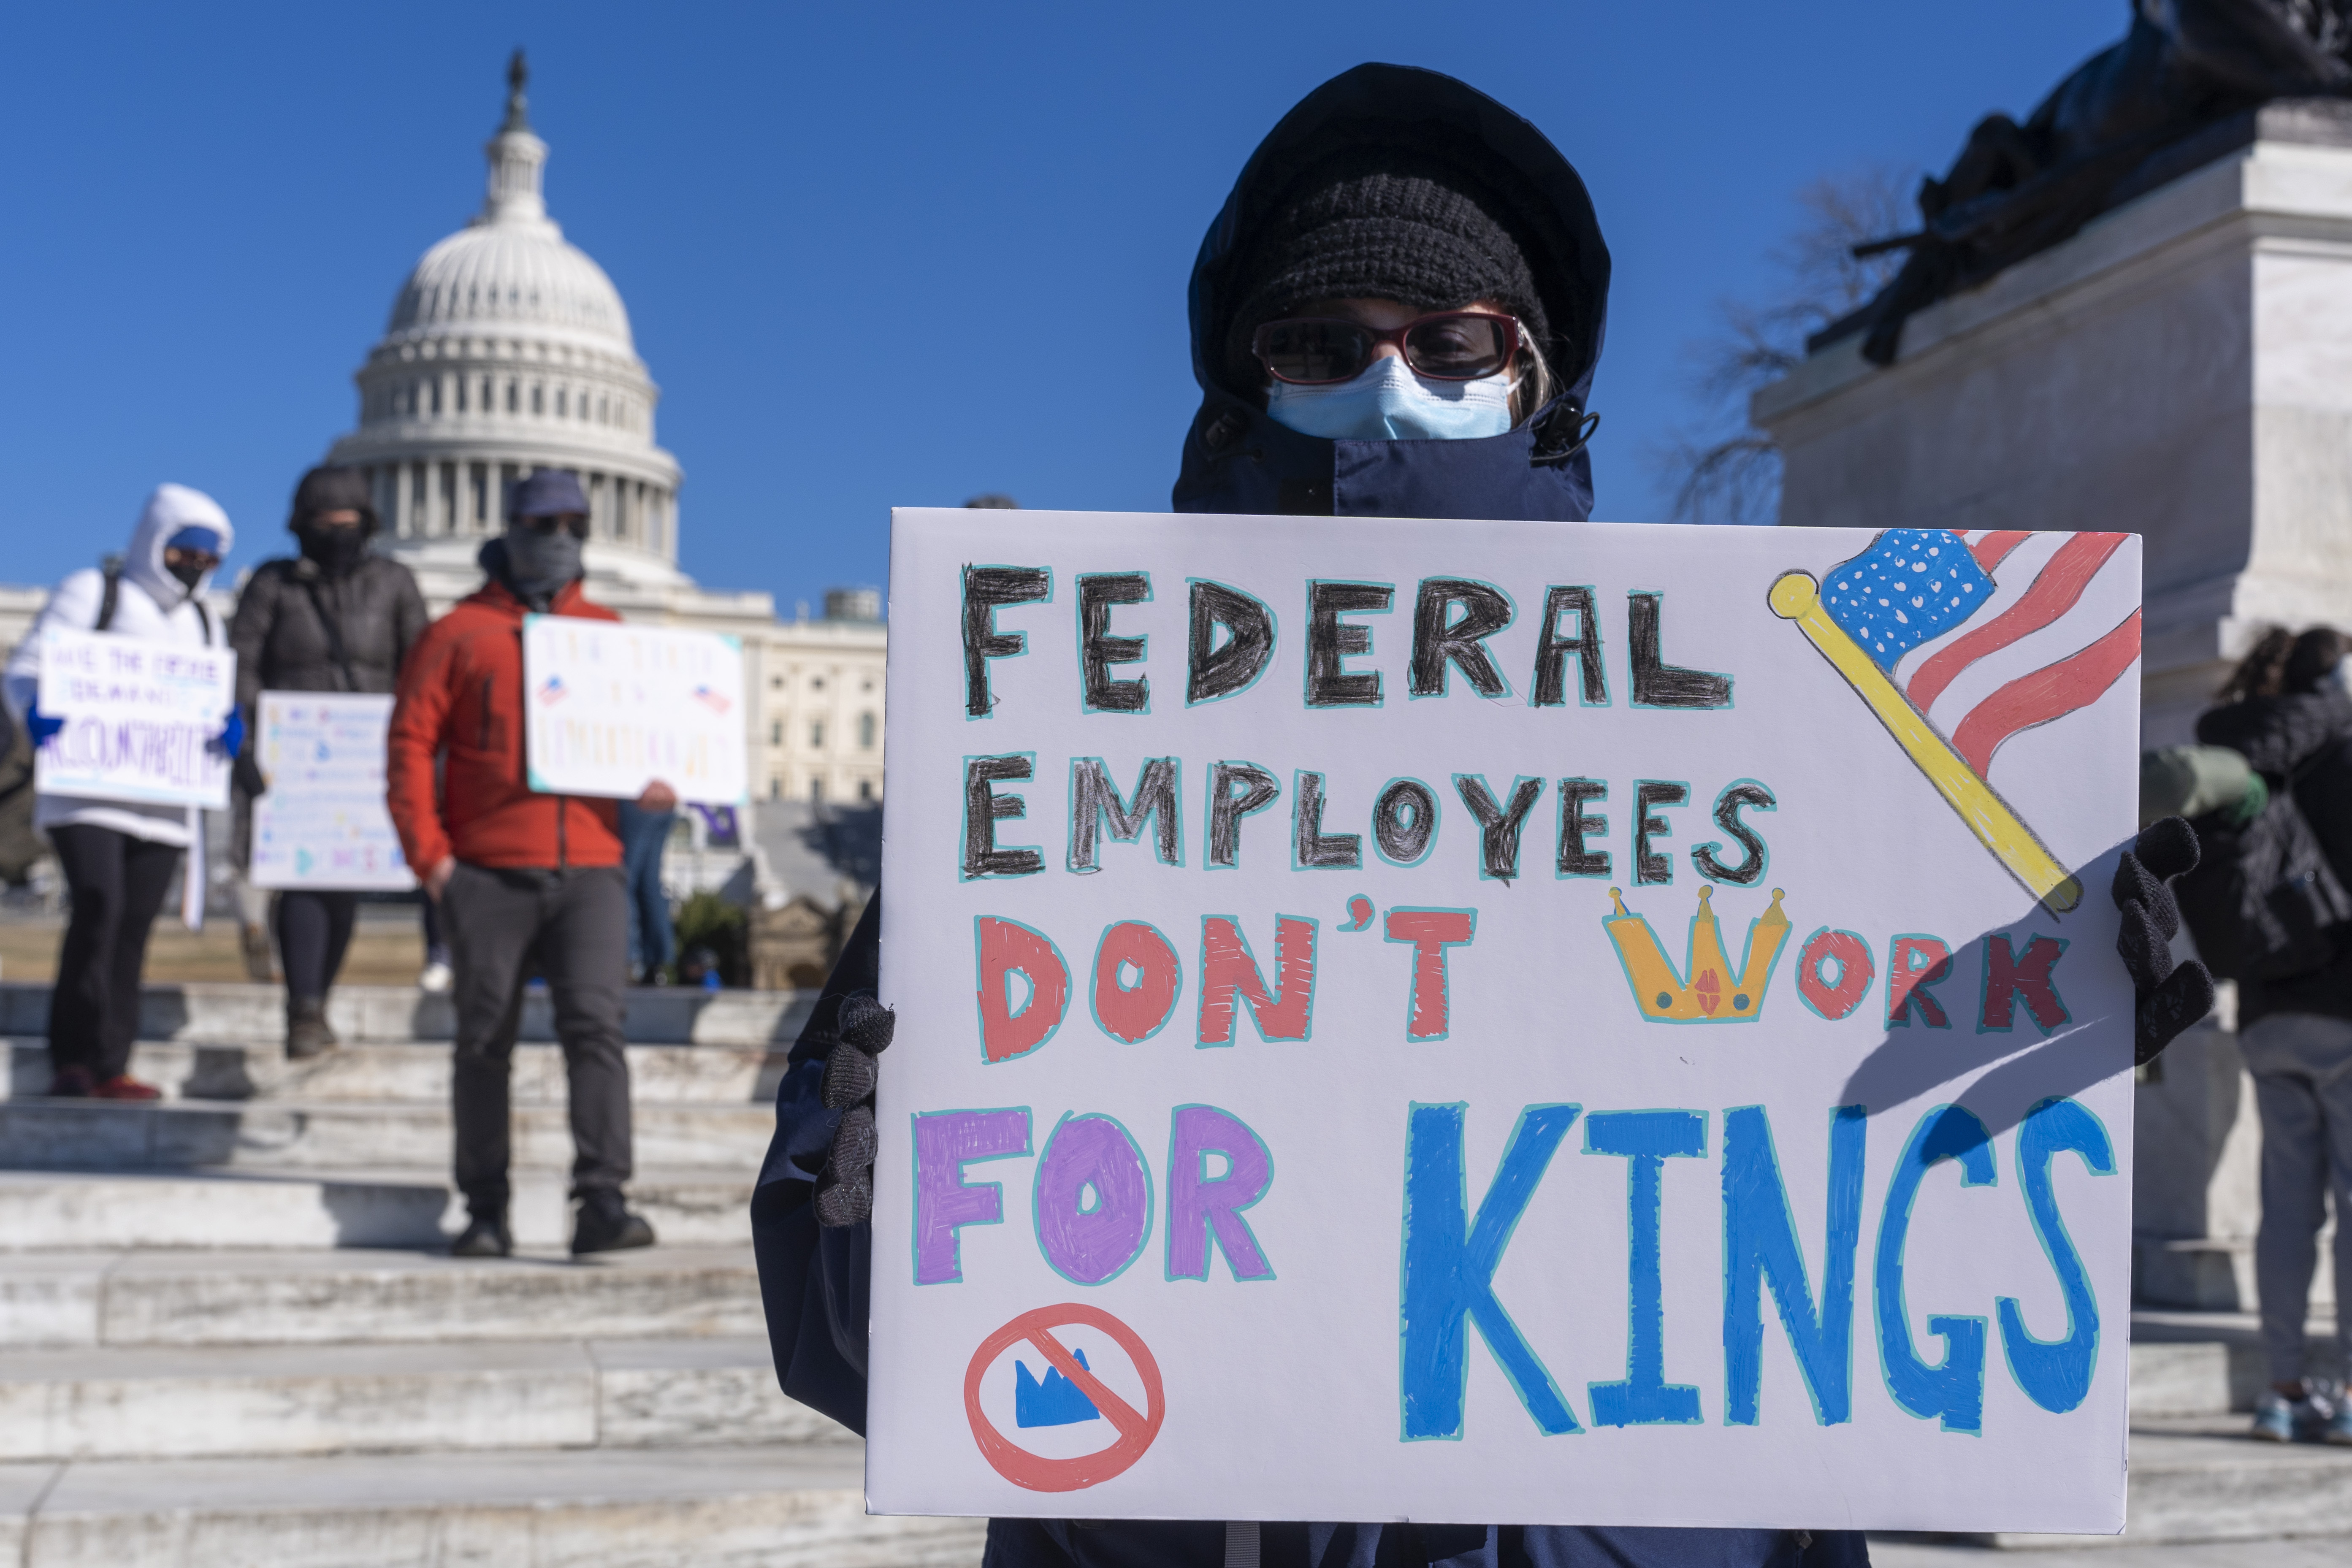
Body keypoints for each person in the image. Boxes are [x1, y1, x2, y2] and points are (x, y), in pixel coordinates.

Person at [753, 66, 2214, 1568]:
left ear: (1536, 378)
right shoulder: (1074, 756)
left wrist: (2043, 1025)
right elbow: (856, 1349)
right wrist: (870, 1209)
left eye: (1450, 341)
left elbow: (1869, 1232)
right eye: (1318, 342)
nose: (1385, 379)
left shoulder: (1758, 736)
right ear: (1238, 386)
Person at [385, 469, 671, 1257]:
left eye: (572, 524)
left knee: (597, 1032)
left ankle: (603, 1201)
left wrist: (660, 783)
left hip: (589, 865)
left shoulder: (609, 637)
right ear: (510, 529)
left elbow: (651, 745)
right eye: (543, 524)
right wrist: (432, 860)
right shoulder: (457, 634)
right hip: (485, 871)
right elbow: (411, 744)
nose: (558, 539)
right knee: (483, 1042)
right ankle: (484, 1207)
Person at [3, 484, 238, 1099]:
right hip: (87, 791)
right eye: (185, 553)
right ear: (155, 541)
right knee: (99, 905)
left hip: (162, 802)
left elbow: (209, 692)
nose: (195, 569)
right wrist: (35, 711)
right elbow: (26, 669)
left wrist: (225, 728)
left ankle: (114, 1060)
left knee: (134, 926)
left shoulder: (204, 619)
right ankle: (72, 1054)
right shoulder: (96, 592)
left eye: (209, 560)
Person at [2193, 625, 2352, 1444]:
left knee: (2285, 1209)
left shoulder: (2246, 744)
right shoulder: (2342, 748)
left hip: (2263, 1013)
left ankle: (2281, 1390)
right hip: (2343, 1008)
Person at [227, 466, 429, 1058]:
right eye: (323, 525)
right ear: (301, 526)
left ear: (367, 523)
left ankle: (315, 997)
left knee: (342, 891)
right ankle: (305, 1007)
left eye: (347, 524)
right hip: (290, 760)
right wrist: (244, 742)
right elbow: (243, 662)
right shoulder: (274, 584)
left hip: (365, 760)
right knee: (303, 883)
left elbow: (421, 668)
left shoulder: (395, 583)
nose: (336, 534)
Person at [616, 799, 675, 983]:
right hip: (664, 801)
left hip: (632, 798)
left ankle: (629, 959)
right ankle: (657, 963)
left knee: (624, 884)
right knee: (649, 885)